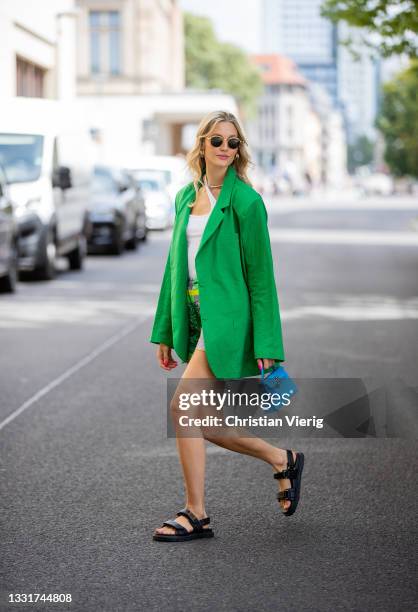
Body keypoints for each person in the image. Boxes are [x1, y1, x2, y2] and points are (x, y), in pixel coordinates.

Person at [149, 110, 304, 542]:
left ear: (240, 151)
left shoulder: (247, 202)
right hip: (196, 317)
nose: (224, 148)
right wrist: (163, 329)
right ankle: (282, 459)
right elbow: (174, 268)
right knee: (204, 421)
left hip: (228, 319)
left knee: (182, 408)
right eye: (216, 140)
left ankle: (195, 513)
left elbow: (261, 277)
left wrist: (268, 341)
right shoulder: (184, 198)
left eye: (232, 142)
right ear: (201, 145)